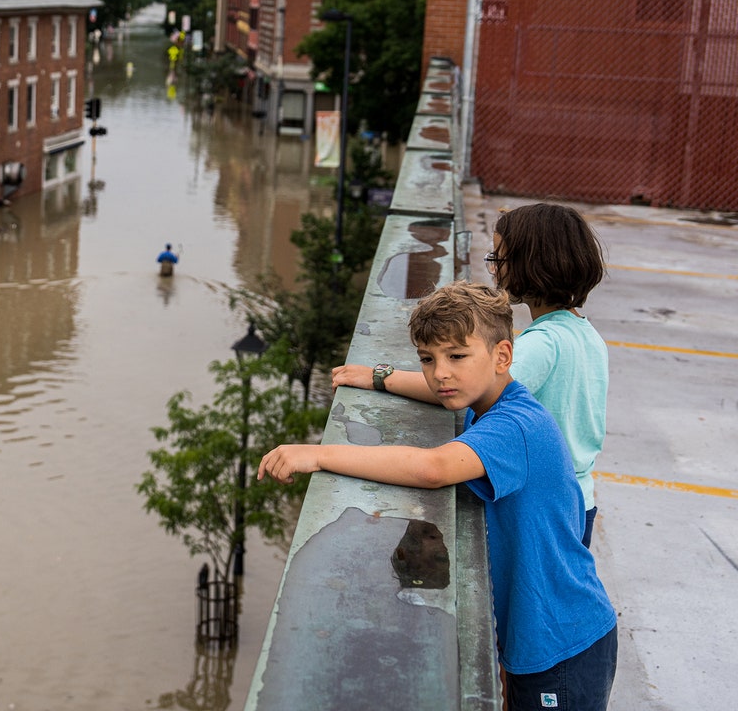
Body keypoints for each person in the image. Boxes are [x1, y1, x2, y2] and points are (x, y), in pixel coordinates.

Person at [259, 281, 617, 710]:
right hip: (542, 631)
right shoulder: (489, 402)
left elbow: (433, 469)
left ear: (503, 356)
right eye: (428, 359)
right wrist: (379, 378)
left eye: (457, 356)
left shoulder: (516, 426)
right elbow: (442, 391)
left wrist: (318, 455)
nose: (440, 373)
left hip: (562, 642)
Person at [331, 202, 608, 546]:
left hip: (547, 508)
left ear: (531, 264)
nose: (493, 269)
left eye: (499, 259)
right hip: (579, 497)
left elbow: (464, 387)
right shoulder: (584, 333)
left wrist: (381, 378)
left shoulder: (544, 344)